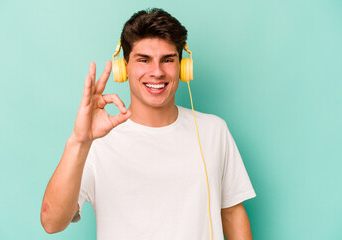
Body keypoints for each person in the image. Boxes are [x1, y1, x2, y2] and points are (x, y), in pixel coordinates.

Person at [40, 8, 256, 240]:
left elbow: (233, 213)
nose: (157, 72)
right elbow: (52, 223)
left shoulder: (214, 131)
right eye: (144, 60)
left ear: (183, 67)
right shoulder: (95, 143)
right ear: (123, 68)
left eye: (168, 60)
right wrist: (80, 140)